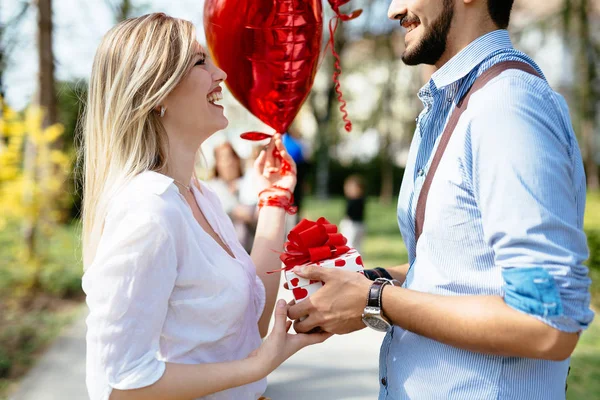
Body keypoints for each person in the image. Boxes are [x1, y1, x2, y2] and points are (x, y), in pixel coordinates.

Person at [288, 1, 594, 399]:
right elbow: (454, 269)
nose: (393, 10)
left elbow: (547, 326)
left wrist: (375, 299)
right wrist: (364, 283)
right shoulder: (451, 104)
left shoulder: (505, 105)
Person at [80, 13, 330, 400]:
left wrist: (275, 198)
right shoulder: (148, 212)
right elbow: (121, 385)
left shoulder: (198, 197)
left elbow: (252, 323)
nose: (222, 75)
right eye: (200, 62)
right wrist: (258, 366)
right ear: (157, 90)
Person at [207, 142, 259, 252]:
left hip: (254, 247)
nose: (229, 163)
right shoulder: (214, 188)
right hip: (232, 252)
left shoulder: (246, 182)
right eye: (224, 158)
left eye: (232, 157)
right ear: (217, 164)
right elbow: (245, 214)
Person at [339, 174, 367, 252]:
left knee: (351, 245)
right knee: (351, 245)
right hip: (355, 225)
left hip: (354, 225)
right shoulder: (353, 200)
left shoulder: (358, 200)